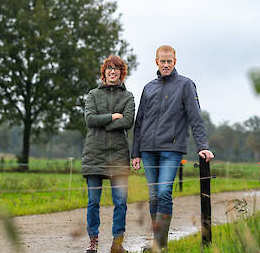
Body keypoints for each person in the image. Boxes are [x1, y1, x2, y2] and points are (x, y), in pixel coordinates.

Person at [131, 45, 214, 252]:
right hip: (148, 150)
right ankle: (158, 243)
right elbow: (139, 122)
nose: (166, 64)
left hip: (171, 149)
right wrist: (135, 152)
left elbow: (195, 118)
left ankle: (160, 246)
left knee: (164, 193)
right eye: (162, 61)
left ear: (174, 62)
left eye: (169, 61)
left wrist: (203, 146)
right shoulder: (148, 87)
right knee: (153, 196)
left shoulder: (186, 85)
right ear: (156, 62)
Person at [82, 55, 135, 253]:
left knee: (120, 202)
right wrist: (112, 117)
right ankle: (93, 241)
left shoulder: (128, 97)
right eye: (109, 68)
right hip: (94, 155)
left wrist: (102, 121)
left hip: (119, 156)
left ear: (122, 73)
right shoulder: (93, 95)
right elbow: (89, 120)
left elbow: (128, 121)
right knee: (93, 201)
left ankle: (117, 244)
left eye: (117, 69)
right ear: (104, 72)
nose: (113, 71)